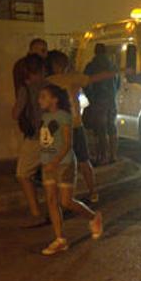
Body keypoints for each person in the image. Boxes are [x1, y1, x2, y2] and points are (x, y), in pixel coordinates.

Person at [37, 84, 104, 255]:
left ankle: (93, 217)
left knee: (65, 201)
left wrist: (55, 161)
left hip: (64, 164)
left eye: (44, 96)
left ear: (55, 99)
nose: (40, 100)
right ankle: (60, 239)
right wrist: (44, 160)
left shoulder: (64, 116)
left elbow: (68, 143)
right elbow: (46, 142)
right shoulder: (45, 117)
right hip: (47, 164)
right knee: (51, 200)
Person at [46, 50, 119, 203]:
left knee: (57, 161)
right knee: (84, 161)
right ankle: (92, 192)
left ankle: (59, 196)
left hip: (55, 127)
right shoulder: (71, 78)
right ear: (61, 64)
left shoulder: (48, 81)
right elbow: (94, 78)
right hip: (74, 125)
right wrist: (118, 71)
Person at [12, 54, 48, 227]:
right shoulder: (51, 87)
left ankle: (36, 212)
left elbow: (15, 113)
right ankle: (56, 210)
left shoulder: (25, 89)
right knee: (50, 175)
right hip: (53, 136)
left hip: (35, 137)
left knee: (23, 173)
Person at [83, 44, 120, 165]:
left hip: (98, 101)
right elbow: (118, 83)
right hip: (111, 100)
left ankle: (103, 156)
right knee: (112, 127)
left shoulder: (91, 66)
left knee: (101, 129)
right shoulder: (113, 66)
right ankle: (113, 155)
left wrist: (90, 98)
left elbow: (86, 83)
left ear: (95, 52)